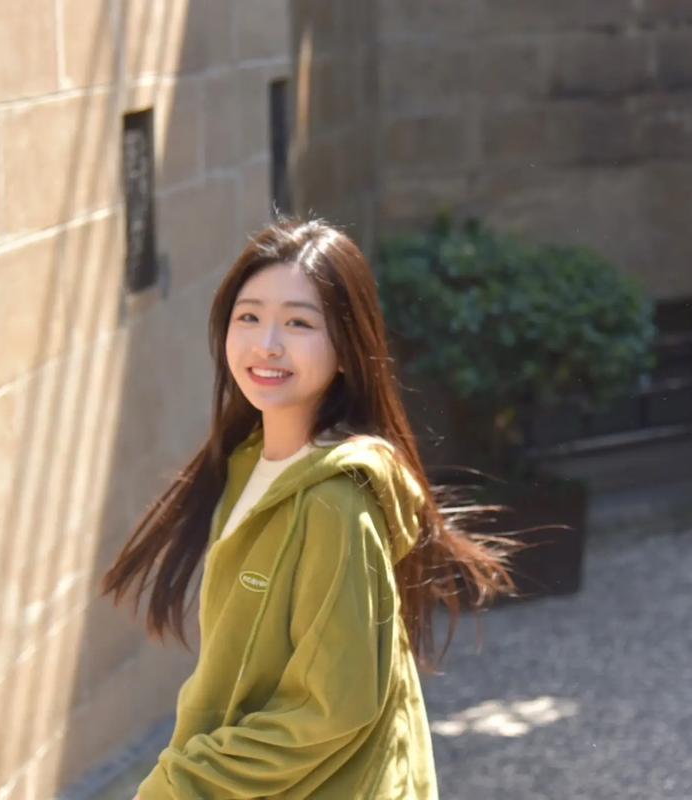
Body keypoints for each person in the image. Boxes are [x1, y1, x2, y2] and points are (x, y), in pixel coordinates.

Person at [101, 218, 513, 799]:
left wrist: (179, 784)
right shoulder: (248, 464)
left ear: (347, 348)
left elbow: (331, 707)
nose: (267, 344)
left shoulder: (334, 503)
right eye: (249, 317)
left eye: (299, 323)